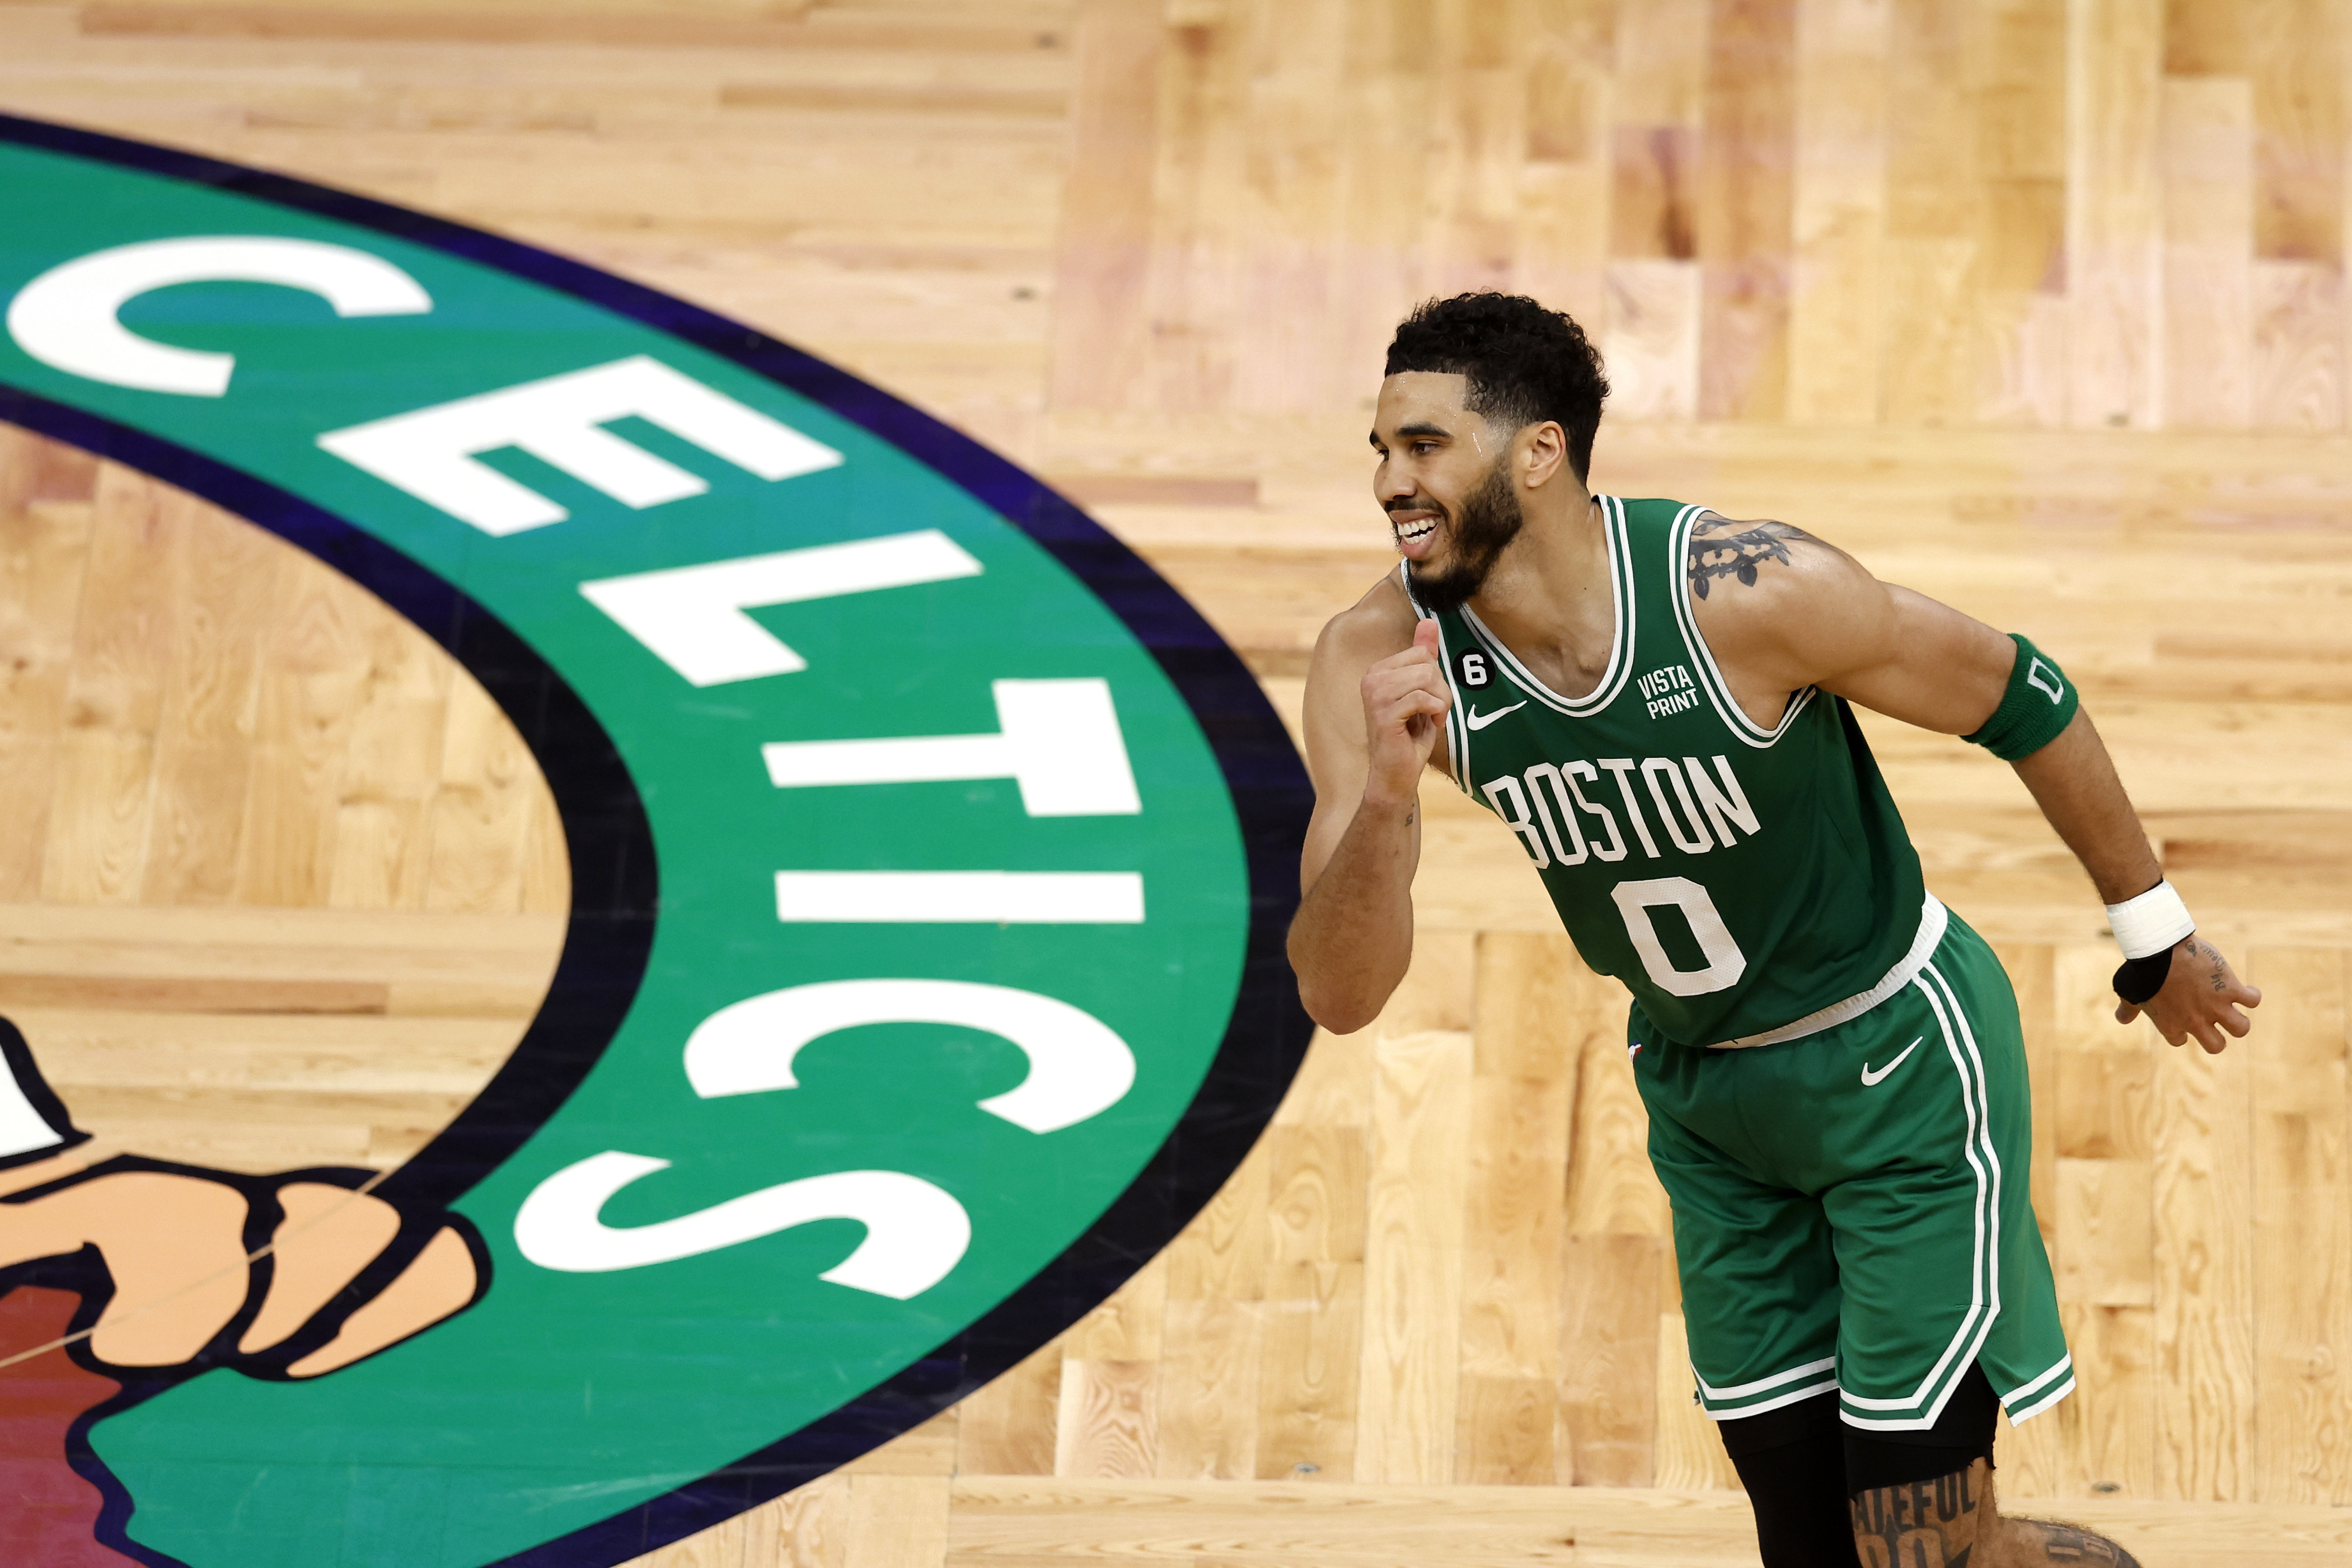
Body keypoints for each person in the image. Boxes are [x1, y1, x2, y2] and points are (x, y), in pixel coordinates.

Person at [1287, 292, 2260, 1568]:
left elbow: (2020, 695)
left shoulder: (1743, 594)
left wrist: (2154, 934)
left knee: (1917, 1551)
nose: (1389, 484)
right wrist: (1386, 802)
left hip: (1897, 1068)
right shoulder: (1374, 659)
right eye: (1380, 450)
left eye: (1424, 446)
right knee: (1811, 1549)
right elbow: (1341, 994)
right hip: (1709, 1107)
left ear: (1539, 453)